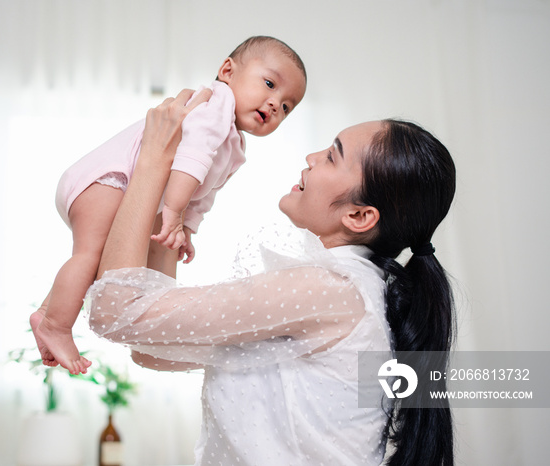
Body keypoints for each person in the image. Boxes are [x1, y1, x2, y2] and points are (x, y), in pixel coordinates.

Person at [87, 90, 456, 465]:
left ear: (360, 217)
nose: (312, 159)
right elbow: (153, 350)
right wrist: (176, 212)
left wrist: (154, 158)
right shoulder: (349, 290)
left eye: (332, 156)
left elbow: (113, 311)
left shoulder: (331, 291)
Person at [30, 36, 308, 374]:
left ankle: (48, 312)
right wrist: (173, 215)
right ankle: (56, 325)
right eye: (269, 83)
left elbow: (203, 194)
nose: (275, 103)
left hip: (114, 184)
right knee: (91, 254)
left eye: (287, 106)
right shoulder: (214, 108)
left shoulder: (235, 147)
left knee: (98, 257)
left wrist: (187, 226)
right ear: (227, 71)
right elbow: (191, 161)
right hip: (106, 178)